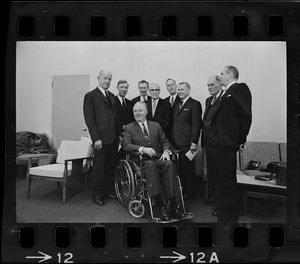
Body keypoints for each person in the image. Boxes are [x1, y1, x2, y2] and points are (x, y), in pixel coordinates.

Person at [202, 66, 252, 223]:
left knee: (228, 180)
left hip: (227, 144)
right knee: (221, 179)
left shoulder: (240, 88)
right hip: (216, 144)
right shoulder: (224, 94)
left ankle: (230, 215)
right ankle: (223, 210)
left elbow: (246, 115)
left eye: (222, 74)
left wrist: (241, 139)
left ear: (230, 74)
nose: (220, 76)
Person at [122, 101, 186, 221]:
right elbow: (126, 146)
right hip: (140, 161)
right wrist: (142, 149)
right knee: (150, 165)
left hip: (157, 158)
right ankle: (160, 205)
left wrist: (167, 152)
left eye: (140, 110)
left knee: (169, 164)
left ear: (146, 112)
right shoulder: (129, 127)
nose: (137, 113)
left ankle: (172, 204)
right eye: (135, 111)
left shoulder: (155, 125)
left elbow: (165, 141)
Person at [83, 69, 120, 206]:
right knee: (99, 167)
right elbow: (89, 119)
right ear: (98, 78)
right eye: (105, 78)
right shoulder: (91, 96)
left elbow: (116, 118)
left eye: (109, 79)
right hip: (100, 139)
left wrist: (119, 136)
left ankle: (108, 190)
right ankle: (97, 194)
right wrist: (96, 138)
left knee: (111, 166)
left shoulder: (112, 97)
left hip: (113, 138)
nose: (107, 81)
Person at [172, 82, 202, 200]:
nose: (179, 91)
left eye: (182, 89)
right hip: (176, 143)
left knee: (188, 169)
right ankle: (181, 191)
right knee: (178, 169)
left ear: (188, 90)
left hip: (188, 144)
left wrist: (194, 142)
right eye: (178, 89)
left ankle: (190, 194)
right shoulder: (177, 104)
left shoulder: (195, 104)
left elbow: (196, 125)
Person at [201, 75, 223, 204]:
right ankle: (212, 197)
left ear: (220, 84)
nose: (209, 87)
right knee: (211, 172)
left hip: (220, 144)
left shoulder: (225, 99)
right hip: (209, 144)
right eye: (208, 85)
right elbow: (206, 121)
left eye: (212, 85)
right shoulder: (209, 100)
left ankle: (219, 200)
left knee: (220, 173)